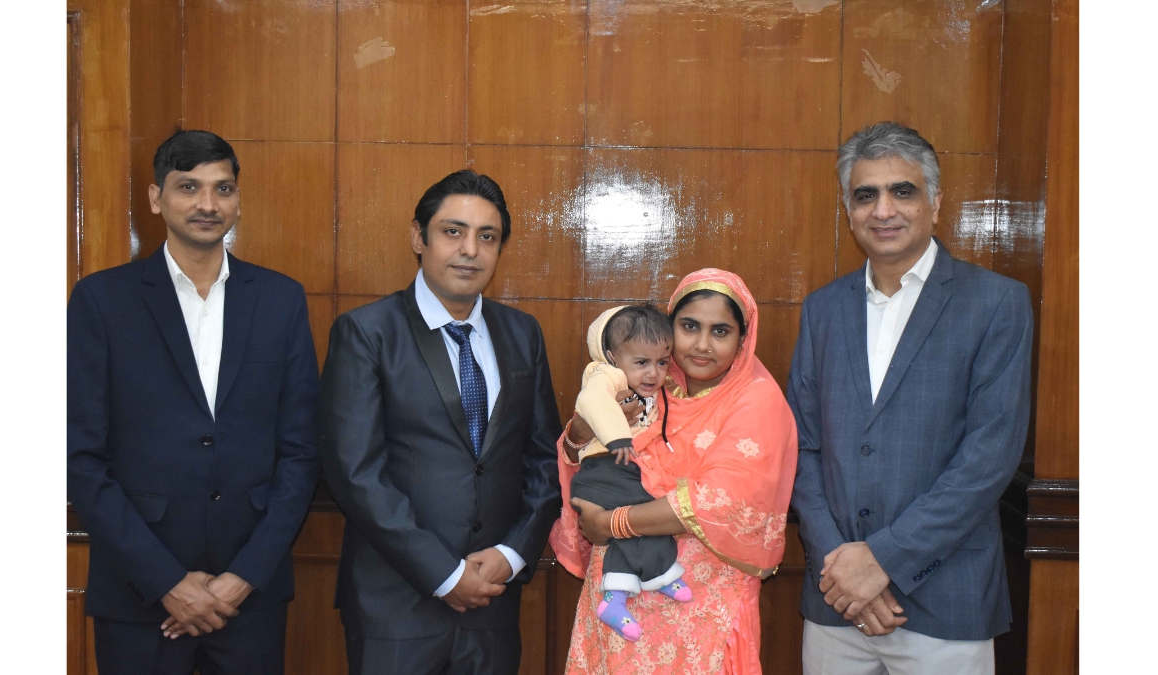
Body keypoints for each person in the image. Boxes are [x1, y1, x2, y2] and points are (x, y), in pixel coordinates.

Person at [67, 130, 320, 674]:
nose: (208, 203)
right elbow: (79, 456)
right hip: (139, 597)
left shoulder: (280, 299)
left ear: (237, 200)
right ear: (156, 198)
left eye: (222, 188)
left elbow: (301, 452)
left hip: (249, 599)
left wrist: (243, 577)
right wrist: (166, 582)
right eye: (188, 187)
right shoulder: (101, 300)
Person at [788, 121, 1033, 674]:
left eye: (903, 191)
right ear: (848, 209)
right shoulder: (823, 309)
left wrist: (882, 562)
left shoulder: (996, 303)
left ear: (935, 202)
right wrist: (842, 567)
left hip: (947, 599)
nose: (883, 210)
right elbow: (801, 447)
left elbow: (989, 458)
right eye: (865, 195)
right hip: (836, 600)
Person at [317, 170, 562, 675]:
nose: (470, 250)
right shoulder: (367, 332)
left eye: (487, 237)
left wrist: (514, 553)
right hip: (395, 604)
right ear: (418, 238)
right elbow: (355, 472)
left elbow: (543, 458)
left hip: (492, 601)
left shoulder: (523, 334)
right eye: (453, 231)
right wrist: (445, 574)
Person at [551, 269, 798, 675]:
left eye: (721, 331)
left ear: (742, 339)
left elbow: (718, 501)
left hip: (703, 605)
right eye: (689, 326)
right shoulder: (650, 380)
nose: (702, 344)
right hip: (620, 597)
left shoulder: (756, 402)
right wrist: (579, 432)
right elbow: (582, 458)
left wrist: (612, 523)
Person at [566, 305, 692, 643]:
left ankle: (614, 599)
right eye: (641, 362)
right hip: (603, 469)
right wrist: (617, 436)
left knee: (632, 523)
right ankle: (660, 571)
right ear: (612, 357)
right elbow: (591, 400)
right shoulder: (605, 375)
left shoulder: (658, 389)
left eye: (662, 362)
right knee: (648, 507)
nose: (653, 373)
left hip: (622, 470)